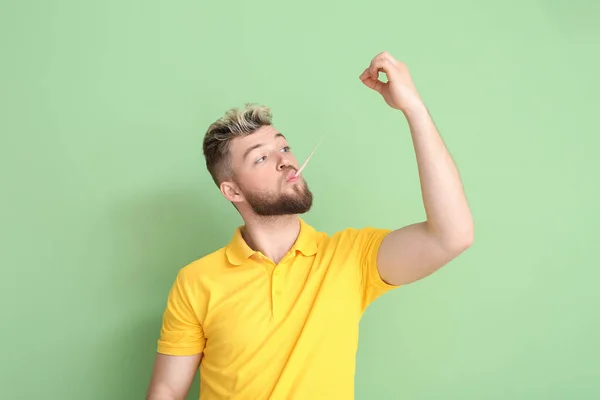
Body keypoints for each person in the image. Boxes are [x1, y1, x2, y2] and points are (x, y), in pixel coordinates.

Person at [146, 51, 474, 400]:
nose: (285, 159)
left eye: (284, 146)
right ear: (232, 189)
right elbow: (167, 389)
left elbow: (452, 236)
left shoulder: (350, 257)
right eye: (260, 157)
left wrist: (414, 109)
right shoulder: (196, 281)